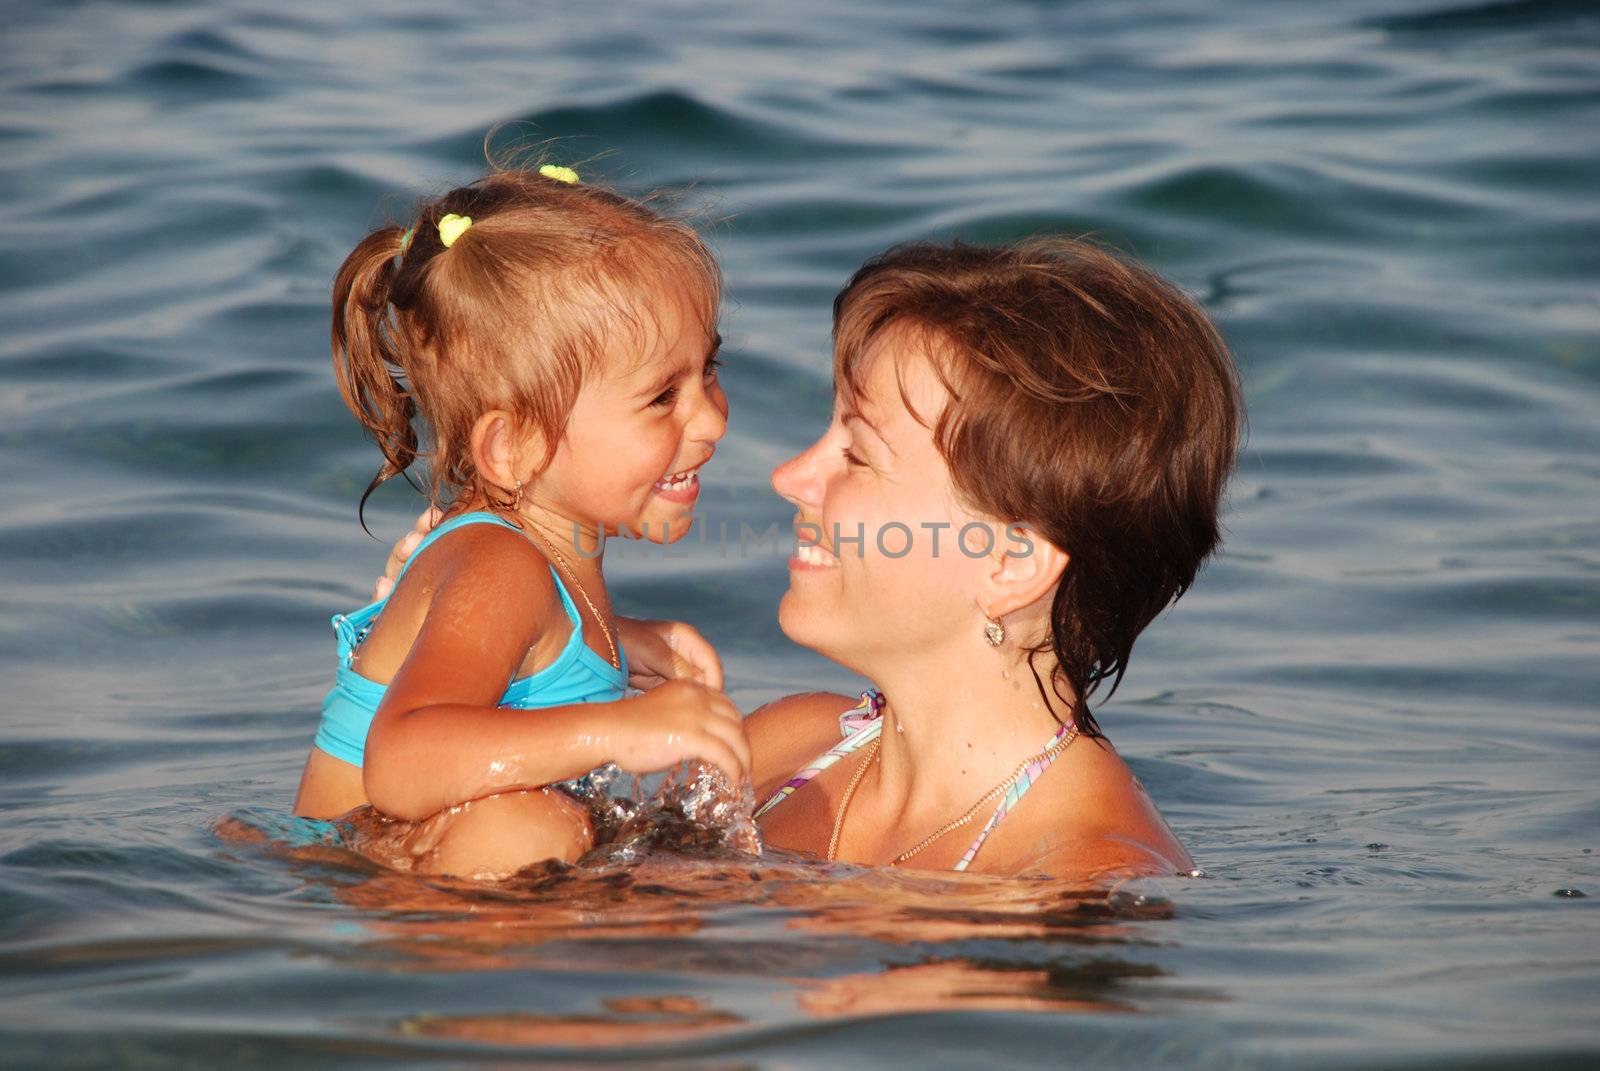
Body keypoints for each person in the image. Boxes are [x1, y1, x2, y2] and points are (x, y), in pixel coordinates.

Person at [378, 235, 1240, 882]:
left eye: (856, 454)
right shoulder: (789, 746)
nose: (790, 476)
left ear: (1012, 560)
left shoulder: (1082, 881)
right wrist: (465, 632)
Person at [291, 164, 751, 880]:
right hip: (358, 885)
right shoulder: (500, 566)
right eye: (663, 396)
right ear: (515, 446)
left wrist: (622, 644)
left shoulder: (534, 559)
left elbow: (523, 648)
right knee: (535, 826)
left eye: (710, 370)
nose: (713, 418)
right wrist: (620, 727)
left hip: (385, 869)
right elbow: (401, 761)